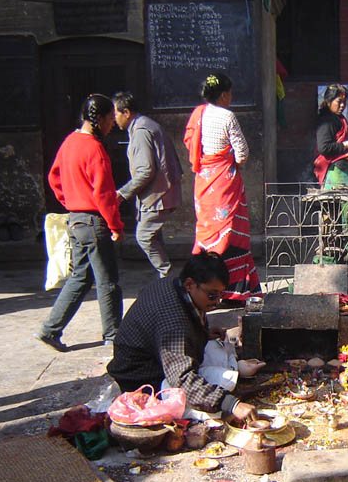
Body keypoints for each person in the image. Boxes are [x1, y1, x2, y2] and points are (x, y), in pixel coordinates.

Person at [107, 251, 258, 421]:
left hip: (154, 355)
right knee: (212, 411)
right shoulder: (174, 321)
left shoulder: (173, 283)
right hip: (140, 376)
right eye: (212, 295)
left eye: (220, 296)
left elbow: (167, 329)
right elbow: (182, 379)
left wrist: (202, 333)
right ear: (189, 284)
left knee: (216, 348)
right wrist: (232, 404)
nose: (217, 302)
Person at [35, 94, 124, 352]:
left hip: (75, 220)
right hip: (94, 221)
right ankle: (113, 335)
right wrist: (116, 226)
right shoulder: (95, 149)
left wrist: (70, 200)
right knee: (107, 281)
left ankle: (50, 329)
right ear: (101, 119)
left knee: (80, 278)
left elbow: (55, 179)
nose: (112, 125)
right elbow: (104, 193)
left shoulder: (69, 142)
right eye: (110, 119)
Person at [183, 72, 261, 304]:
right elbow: (243, 153)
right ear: (225, 94)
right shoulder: (227, 116)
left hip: (204, 182)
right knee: (230, 235)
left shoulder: (198, 114)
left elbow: (190, 143)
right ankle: (233, 290)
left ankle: (201, 287)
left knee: (207, 234)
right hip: (225, 183)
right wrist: (230, 161)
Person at [112, 91, 183, 278]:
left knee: (144, 236)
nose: (114, 119)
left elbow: (146, 170)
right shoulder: (145, 126)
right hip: (158, 193)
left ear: (126, 112)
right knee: (154, 236)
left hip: (158, 194)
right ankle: (166, 279)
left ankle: (166, 277)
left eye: (115, 114)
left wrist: (122, 193)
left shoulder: (142, 131)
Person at [313, 83, 348, 260]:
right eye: (338, 101)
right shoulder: (326, 121)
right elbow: (325, 148)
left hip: (345, 173)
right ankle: (331, 253)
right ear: (328, 101)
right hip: (334, 174)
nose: (342, 105)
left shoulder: (339, 118)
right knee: (334, 215)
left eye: (344, 101)